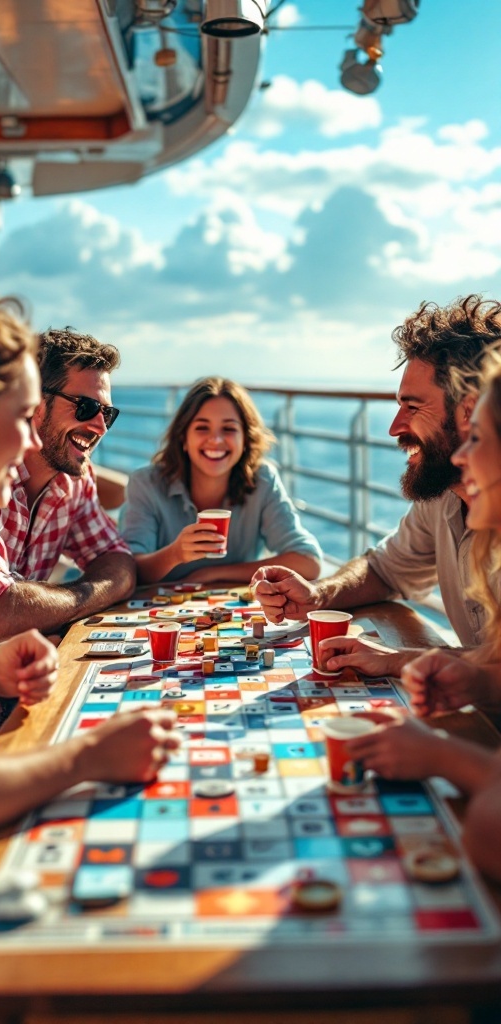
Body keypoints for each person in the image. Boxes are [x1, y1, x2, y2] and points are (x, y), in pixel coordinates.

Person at [0, 288, 179, 849]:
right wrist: (86, 757)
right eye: (19, 416)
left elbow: (118, 567)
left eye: (107, 412)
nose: (23, 439)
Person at [252, 295, 501, 675]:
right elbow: (386, 571)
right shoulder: (444, 494)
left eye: (413, 408)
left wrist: (400, 659)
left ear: (469, 412)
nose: (394, 428)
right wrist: (319, 595)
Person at [345, 350, 501, 880]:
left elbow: (491, 838)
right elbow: (386, 570)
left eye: (477, 439)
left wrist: (445, 758)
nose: (461, 461)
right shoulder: (449, 498)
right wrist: (474, 677)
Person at [0, 327, 136, 642]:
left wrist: (60, 604)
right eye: (86, 407)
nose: (101, 426)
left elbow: (118, 562)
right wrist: (81, 599)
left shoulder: (74, 478)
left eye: (108, 413)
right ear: (36, 401)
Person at [120, 376, 322, 584]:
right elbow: (127, 571)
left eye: (229, 429)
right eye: (202, 428)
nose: (216, 440)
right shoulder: (145, 484)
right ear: (183, 438)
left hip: (231, 611)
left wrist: (213, 573)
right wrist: (175, 554)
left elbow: (308, 561)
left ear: (245, 440)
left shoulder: (262, 480)